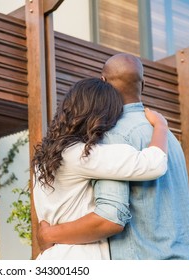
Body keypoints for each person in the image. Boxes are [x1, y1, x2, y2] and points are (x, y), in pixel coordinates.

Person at [37, 53, 189, 260]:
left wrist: (49, 233)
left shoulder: (109, 135)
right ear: (144, 85)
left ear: (104, 83)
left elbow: (109, 217)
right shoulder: (169, 138)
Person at [32, 77, 169, 260]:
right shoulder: (82, 155)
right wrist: (161, 126)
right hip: (78, 257)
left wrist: (48, 235)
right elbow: (154, 164)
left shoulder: (46, 157)